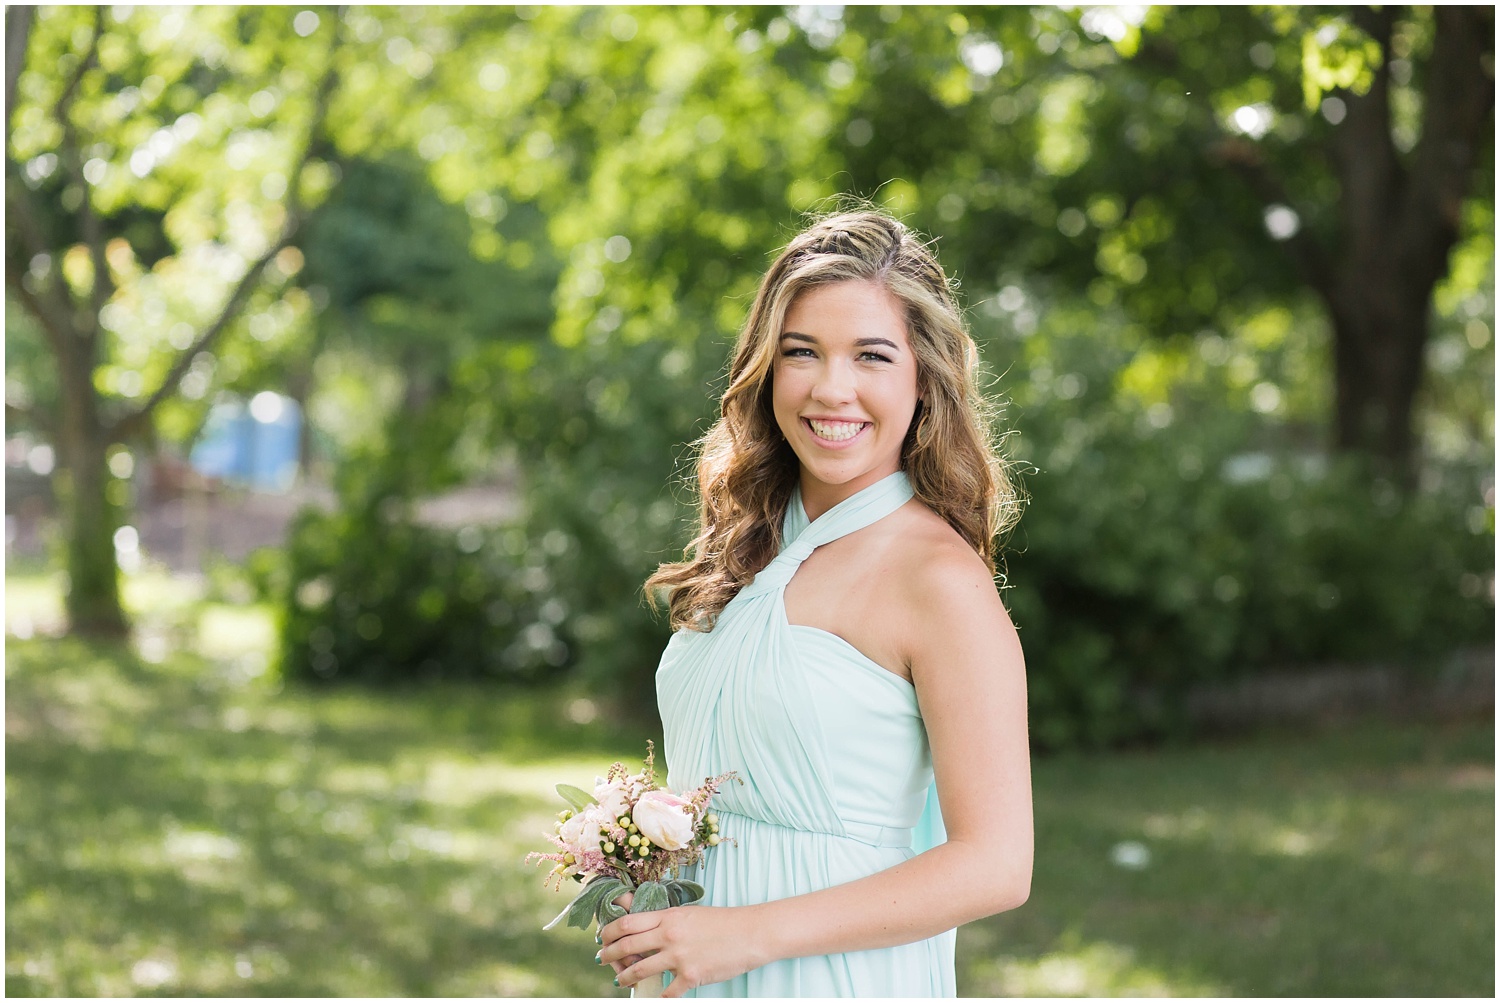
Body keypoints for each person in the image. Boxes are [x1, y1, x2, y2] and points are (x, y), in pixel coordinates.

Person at [599, 208, 1033, 997]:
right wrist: (648, 866)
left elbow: (997, 864)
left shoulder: (937, 579)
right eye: (802, 352)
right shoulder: (751, 544)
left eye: (871, 355)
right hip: (700, 973)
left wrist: (747, 932)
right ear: (767, 368)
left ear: (922, 377)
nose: (832, 389)